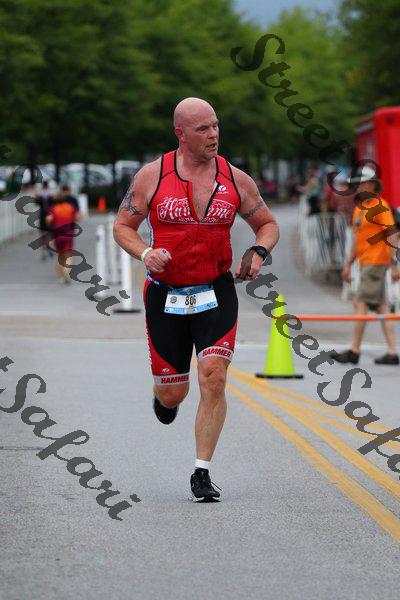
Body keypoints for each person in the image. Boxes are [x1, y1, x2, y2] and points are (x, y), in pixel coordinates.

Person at [113, 97, 279, 502]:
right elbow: (122, 226)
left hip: (215, 290)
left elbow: (267, 223)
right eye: (203, 128)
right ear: (180, 134)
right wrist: (145, 253)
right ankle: (164, 399)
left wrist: (258, 251)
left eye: (215, 126)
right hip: (165, 294)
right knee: (173, 393)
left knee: (213, 376)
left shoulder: (235, 179)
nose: (213, 134)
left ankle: (201, 471)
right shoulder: (153, 176)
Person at [331, 166, 400, 365]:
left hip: (376, 262)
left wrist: (394, 264)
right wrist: (348, 264)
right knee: (381, 308)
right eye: (357, 184)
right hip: (365, 263)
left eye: (362, 183)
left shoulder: (380, 206)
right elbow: (357, 238)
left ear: (372, 184)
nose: (359, 187)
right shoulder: (360, 208)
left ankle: (354, 350)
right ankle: (392, 351)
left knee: (361, 303)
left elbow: (392, 234)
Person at [46, 189, 82, 283]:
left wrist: (50, 223)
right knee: (68, 254)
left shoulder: (53, 208)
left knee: (60, 254)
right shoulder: (70, 207)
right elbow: (78, 217)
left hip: (57, 234)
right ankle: (66, 271)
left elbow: (49, 219)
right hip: (69, 233)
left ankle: (62, 275)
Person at [35, 181, 54, 260]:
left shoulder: (40, 195)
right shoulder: (51, 195)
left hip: (42, 216)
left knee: (43, 235)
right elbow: (53, 205)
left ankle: (44, 252)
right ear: (48, 186)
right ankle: (49, 248)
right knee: (50, 234)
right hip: (49, 216)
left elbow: (36, 203)